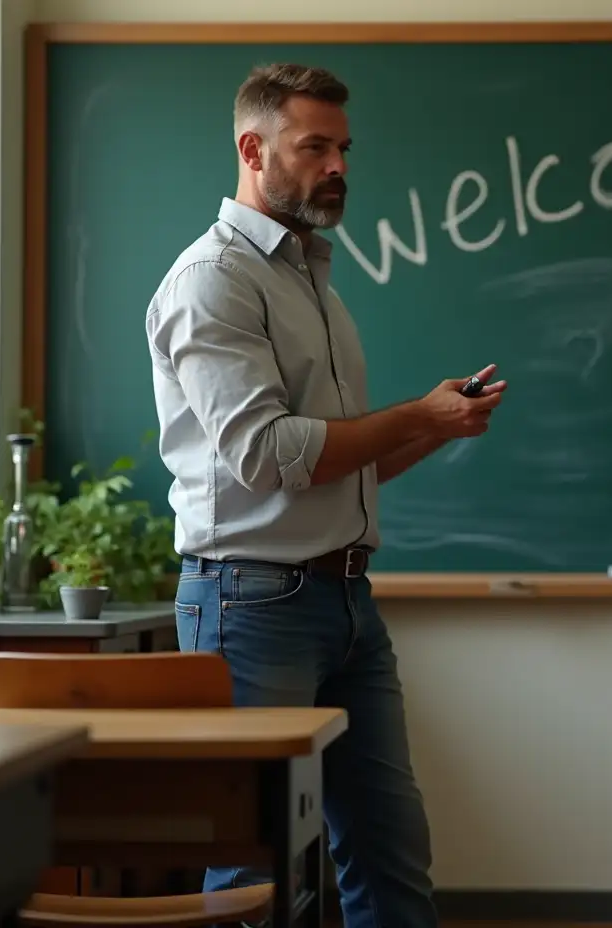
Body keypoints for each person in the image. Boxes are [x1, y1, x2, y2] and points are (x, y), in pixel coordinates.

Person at [144, 62, 506, 927]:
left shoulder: (313, 280)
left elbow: (337, 466)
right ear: (253, 149)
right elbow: (267, 457)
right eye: (315, 147)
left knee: (390, 859)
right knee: (249, 868)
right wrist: (414, 412)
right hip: (252, 603)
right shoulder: (213, 281)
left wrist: (431, 428)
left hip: (346, 601)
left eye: (343, 148)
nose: (338, 165)